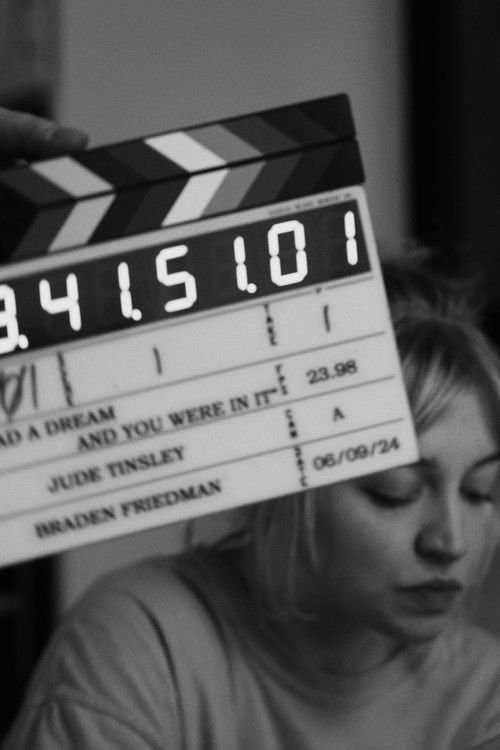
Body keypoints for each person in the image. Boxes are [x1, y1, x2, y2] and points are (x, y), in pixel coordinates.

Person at [2, 109, 500, 750]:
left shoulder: (485, 692)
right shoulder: (142, 641)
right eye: (394, 491)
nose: (451, 541)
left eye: (483, 492)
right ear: (287, 478)